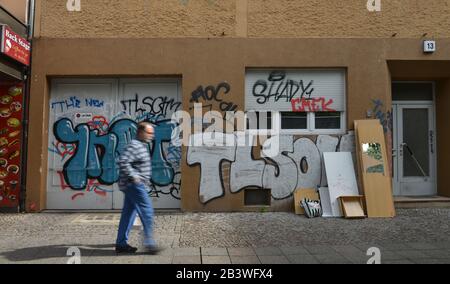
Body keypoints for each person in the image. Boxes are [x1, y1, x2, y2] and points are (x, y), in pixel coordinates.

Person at [115, 122, 161, 254]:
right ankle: (149, 244)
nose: (152, 136)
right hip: (135, 185)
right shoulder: (135, 145)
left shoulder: (140, 145)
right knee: (147, 211)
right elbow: (123, 161)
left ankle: (121, 244)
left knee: (128, 215)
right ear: (141, 132)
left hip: (132, 186)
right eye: (149, 133)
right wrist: (134, 176)